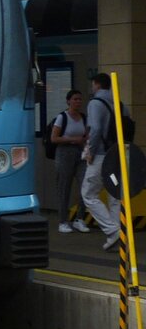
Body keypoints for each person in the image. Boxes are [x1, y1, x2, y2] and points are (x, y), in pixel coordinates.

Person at [81, 73, 122, 250]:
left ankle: (112, 231)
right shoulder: (119, 103)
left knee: (89, 194)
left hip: (101, 156)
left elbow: (96, 128)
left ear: (97, 84)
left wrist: (90, 151)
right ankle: (117, 237)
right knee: (114, 195)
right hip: (118, 155)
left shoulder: (95, 103)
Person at [51, 90, 90, 233]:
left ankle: (79, 218)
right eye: (75, 99)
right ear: (68, 101)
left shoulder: (84, 118)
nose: (78, 102)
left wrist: (86, 147)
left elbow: (86, 136)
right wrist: (73, 139)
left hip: (80, 153)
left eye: (80, 99)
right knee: (64, 187)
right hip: (64, 152)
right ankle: (63, 221)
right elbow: (54, 138)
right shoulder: (62, 117)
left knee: (85, 185)